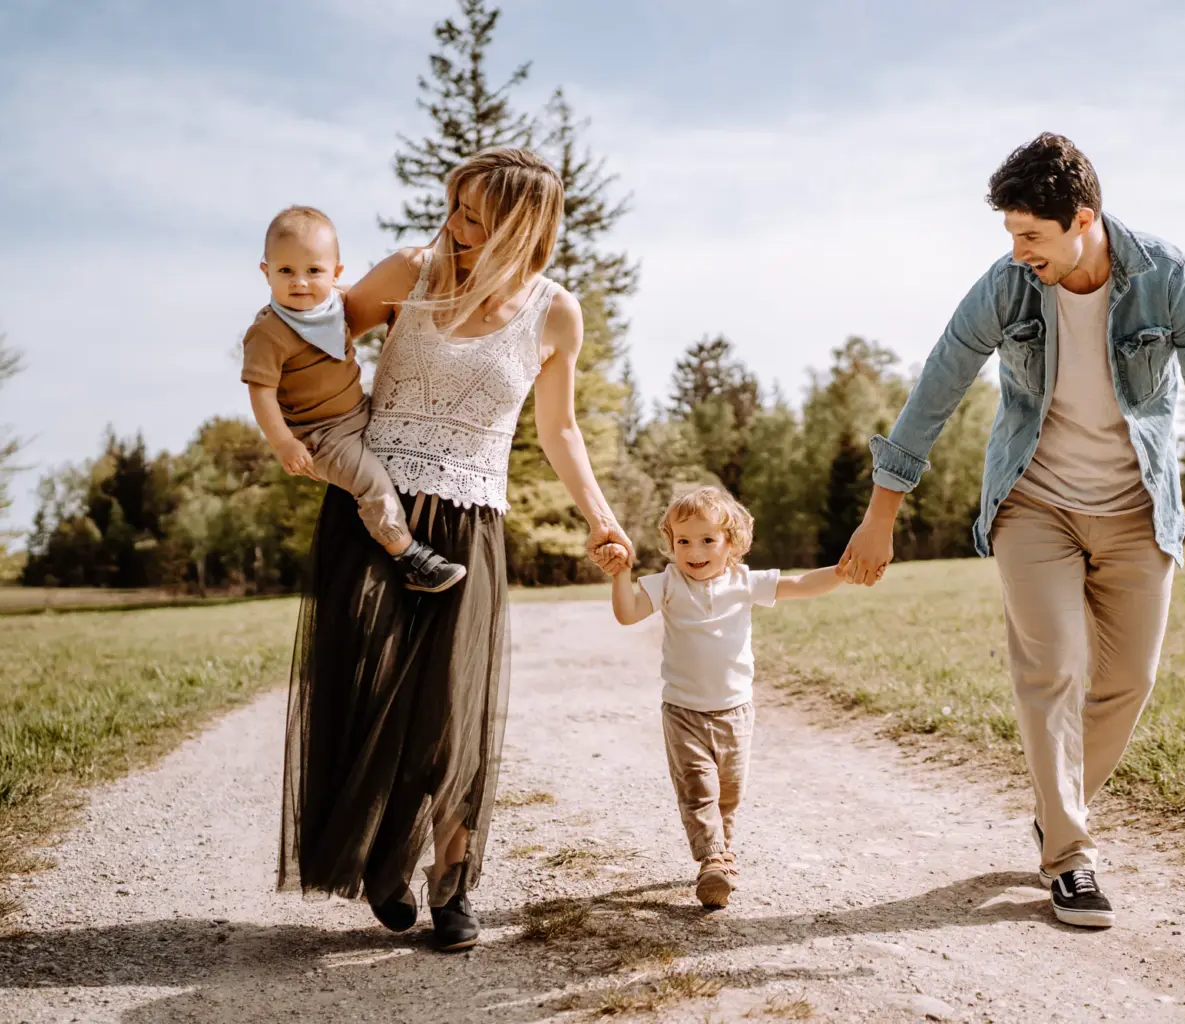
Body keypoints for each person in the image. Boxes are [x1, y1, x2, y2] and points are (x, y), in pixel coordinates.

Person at [837, 133, 1185, 929]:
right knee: (1054, 669)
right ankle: (1069, 856)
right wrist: (880, 516)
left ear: (1084, 220)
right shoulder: (1006, 287)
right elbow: (936, 388)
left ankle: (1054, 808)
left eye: (1031, 234)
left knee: (1128, 680)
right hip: (1033, 504)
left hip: (1140, 507)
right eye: (1010, 234)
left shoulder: (1167, 280)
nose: (1018, 250)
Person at [277, 148, 634, 952]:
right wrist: (296, 425)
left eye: (475, 212)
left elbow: (560, 428)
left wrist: (602, 519)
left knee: (450, 711)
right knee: (370, 690)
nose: (456, 223)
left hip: (472, 518)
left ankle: (451, 884)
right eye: (455, 205)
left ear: (522, 223)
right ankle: (380, 857)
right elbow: (308, 337)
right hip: (374, 514)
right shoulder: (411, 270)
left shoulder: (555, 312)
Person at [609, 486, 842, 909]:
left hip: (736, 711)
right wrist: (619, 574)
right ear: (671, 543)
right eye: (683, 541)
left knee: (729, 793)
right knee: (699, 789)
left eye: (707, 540)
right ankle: (712, 859)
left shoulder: (743, 582)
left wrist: (844, 571)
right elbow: (627, 613)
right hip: (684, 711)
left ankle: (722, 857)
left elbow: (802, 583)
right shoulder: (668, 583)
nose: (693, 551)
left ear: (731, 543)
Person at [242, 206, 465, 593]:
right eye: (285, 271)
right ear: (266, 272)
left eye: (313, 271)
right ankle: (411, 558)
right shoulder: (268, 332)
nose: (300, 283)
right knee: (371, 483)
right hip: (321, 435)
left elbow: (399, 284)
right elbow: (260, 393)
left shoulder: (336, 305)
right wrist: (283, 442)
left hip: (359, 410)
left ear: (336, 273)